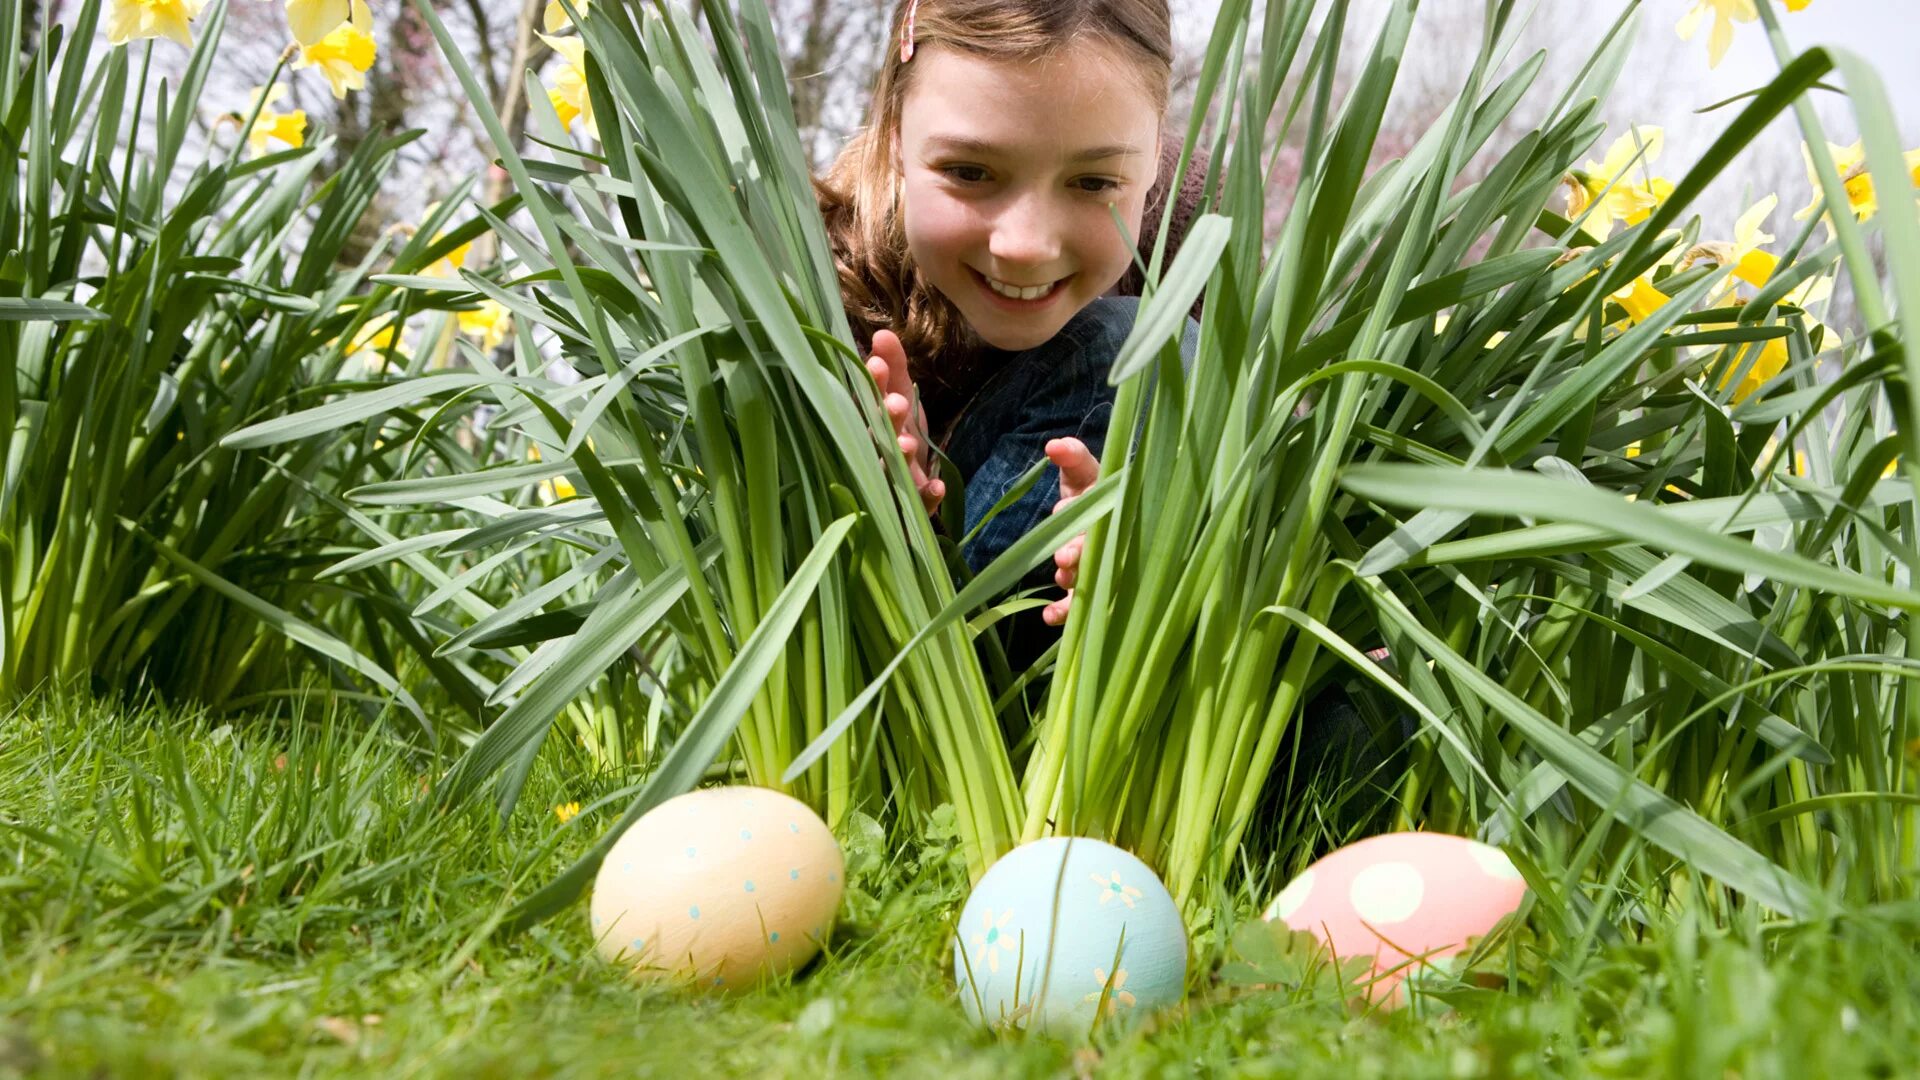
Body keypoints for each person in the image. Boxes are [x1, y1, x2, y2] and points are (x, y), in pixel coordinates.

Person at [812, 0, 1208, 629]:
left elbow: (1274, 476)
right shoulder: (826, 271)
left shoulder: (1192, 233)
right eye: (970, 172)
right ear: (895, 133)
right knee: (1135, 347)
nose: (1024, 245)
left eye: (1092, 183)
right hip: (909, 647)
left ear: (1156, 151)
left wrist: (1165, 552)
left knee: (1171, 351)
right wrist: (880, 517)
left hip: (1106, 654)